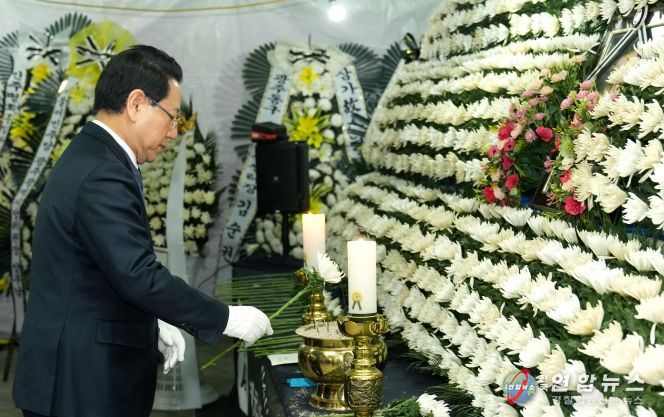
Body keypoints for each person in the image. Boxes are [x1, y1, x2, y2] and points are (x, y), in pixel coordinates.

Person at [12, 45, 273, 417]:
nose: (173, 133)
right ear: (136, 104)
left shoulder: (95, 155)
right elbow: (137, 274)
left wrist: (151, 323)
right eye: (171, 117)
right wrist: (225, 317)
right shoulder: (103, 171)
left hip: (78, 372)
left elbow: (101, 269)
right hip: (81, 383)